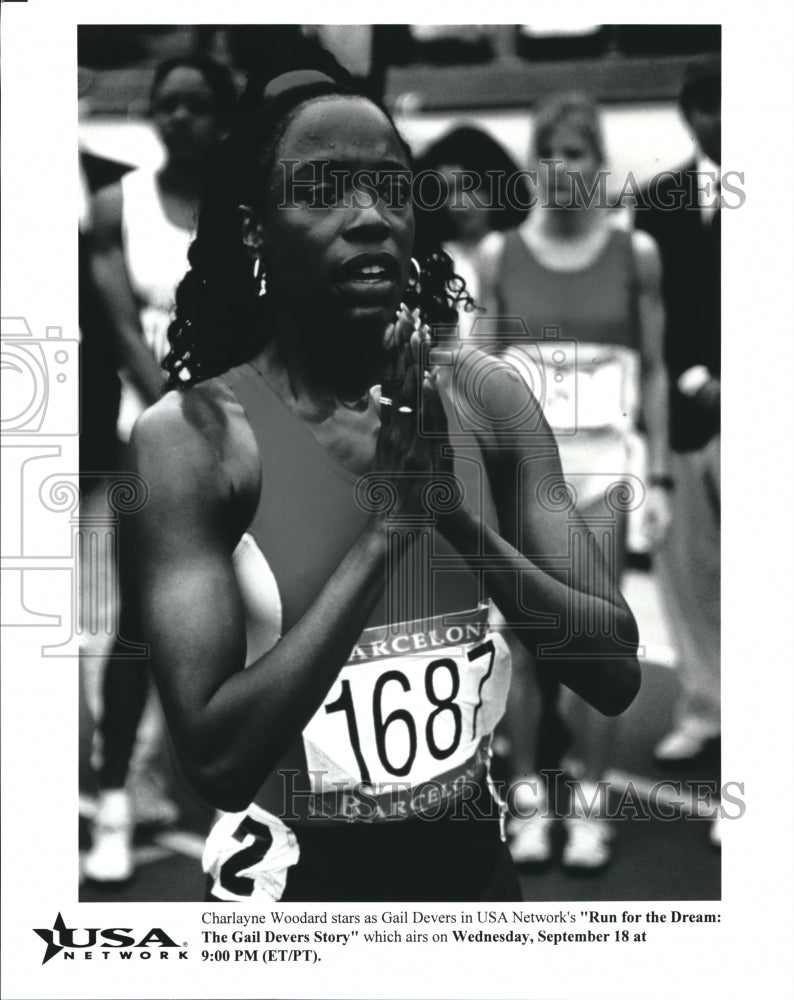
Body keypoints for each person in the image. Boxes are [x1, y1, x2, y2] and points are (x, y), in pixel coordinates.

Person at [120, 67, 641, 902]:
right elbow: (217, 762)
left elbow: (613, 670)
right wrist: (388, 530)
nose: (367, 216)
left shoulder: (485, 396)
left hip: (472, 883)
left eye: (390, 189)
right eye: (322, 192)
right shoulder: (194, 441)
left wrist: (454, 519)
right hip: (301, 906)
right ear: (256, 230)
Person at [486, 93, 670, 870]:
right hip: (525, 474)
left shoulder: (637, 254)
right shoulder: (501, 255)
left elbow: (656, 371)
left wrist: (657, 478)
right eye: (550, 152)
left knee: (596, 641)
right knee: (528, 645)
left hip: (604, 475)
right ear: (535, 162)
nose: (563, 168)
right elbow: (479, 379)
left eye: (578, 152)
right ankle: (528, 798)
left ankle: (590, 803)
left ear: (600, 164)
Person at [83, 55, 237, 882]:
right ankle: (113, 802)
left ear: (221, 116)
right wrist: (181, 415)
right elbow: (123, 335)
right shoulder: (117, 207)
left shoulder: (244, 211)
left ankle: (231, 799)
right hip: (148, 439)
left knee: (231, 620)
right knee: (140, 626)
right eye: (165, 105)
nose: (178, 118)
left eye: (195, 105)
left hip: (237, 442)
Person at [634, 56, 721, 839]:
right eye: (705, 107)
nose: (718, 120)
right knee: (688, 570)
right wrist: (695, 377)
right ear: (688, 115)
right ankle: (703, 704)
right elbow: (654, 312)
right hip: (691, 411)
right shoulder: (659, 199)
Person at [415, 126, 528, 338]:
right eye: (447, 191)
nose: (459, 204)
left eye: (468, 186)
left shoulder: (519, 249)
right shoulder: (437, 259)